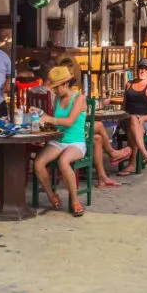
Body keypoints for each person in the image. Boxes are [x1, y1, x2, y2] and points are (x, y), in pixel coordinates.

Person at [33, 66, 89, 216]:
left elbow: (69, 121)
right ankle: (52, 195)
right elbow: (56, 122)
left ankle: (75, 201)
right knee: (38, 163)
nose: (54, 91)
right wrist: (40, 114)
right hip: (58, 141)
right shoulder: (58, 98)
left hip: (76, 142)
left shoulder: (79, 98)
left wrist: (49, 118)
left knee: (63, 161)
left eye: (56, 88)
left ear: (65, 84)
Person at [119, 58, 147, 175]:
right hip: (127, 120)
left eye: (146, 69)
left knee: (134, 125)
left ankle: (132, 164)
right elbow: (124, 106)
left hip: (146, 122)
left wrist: (142, 118)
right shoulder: (129, 84)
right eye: (140, 68)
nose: (142, 71)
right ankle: (144, 153)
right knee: (132, 120)